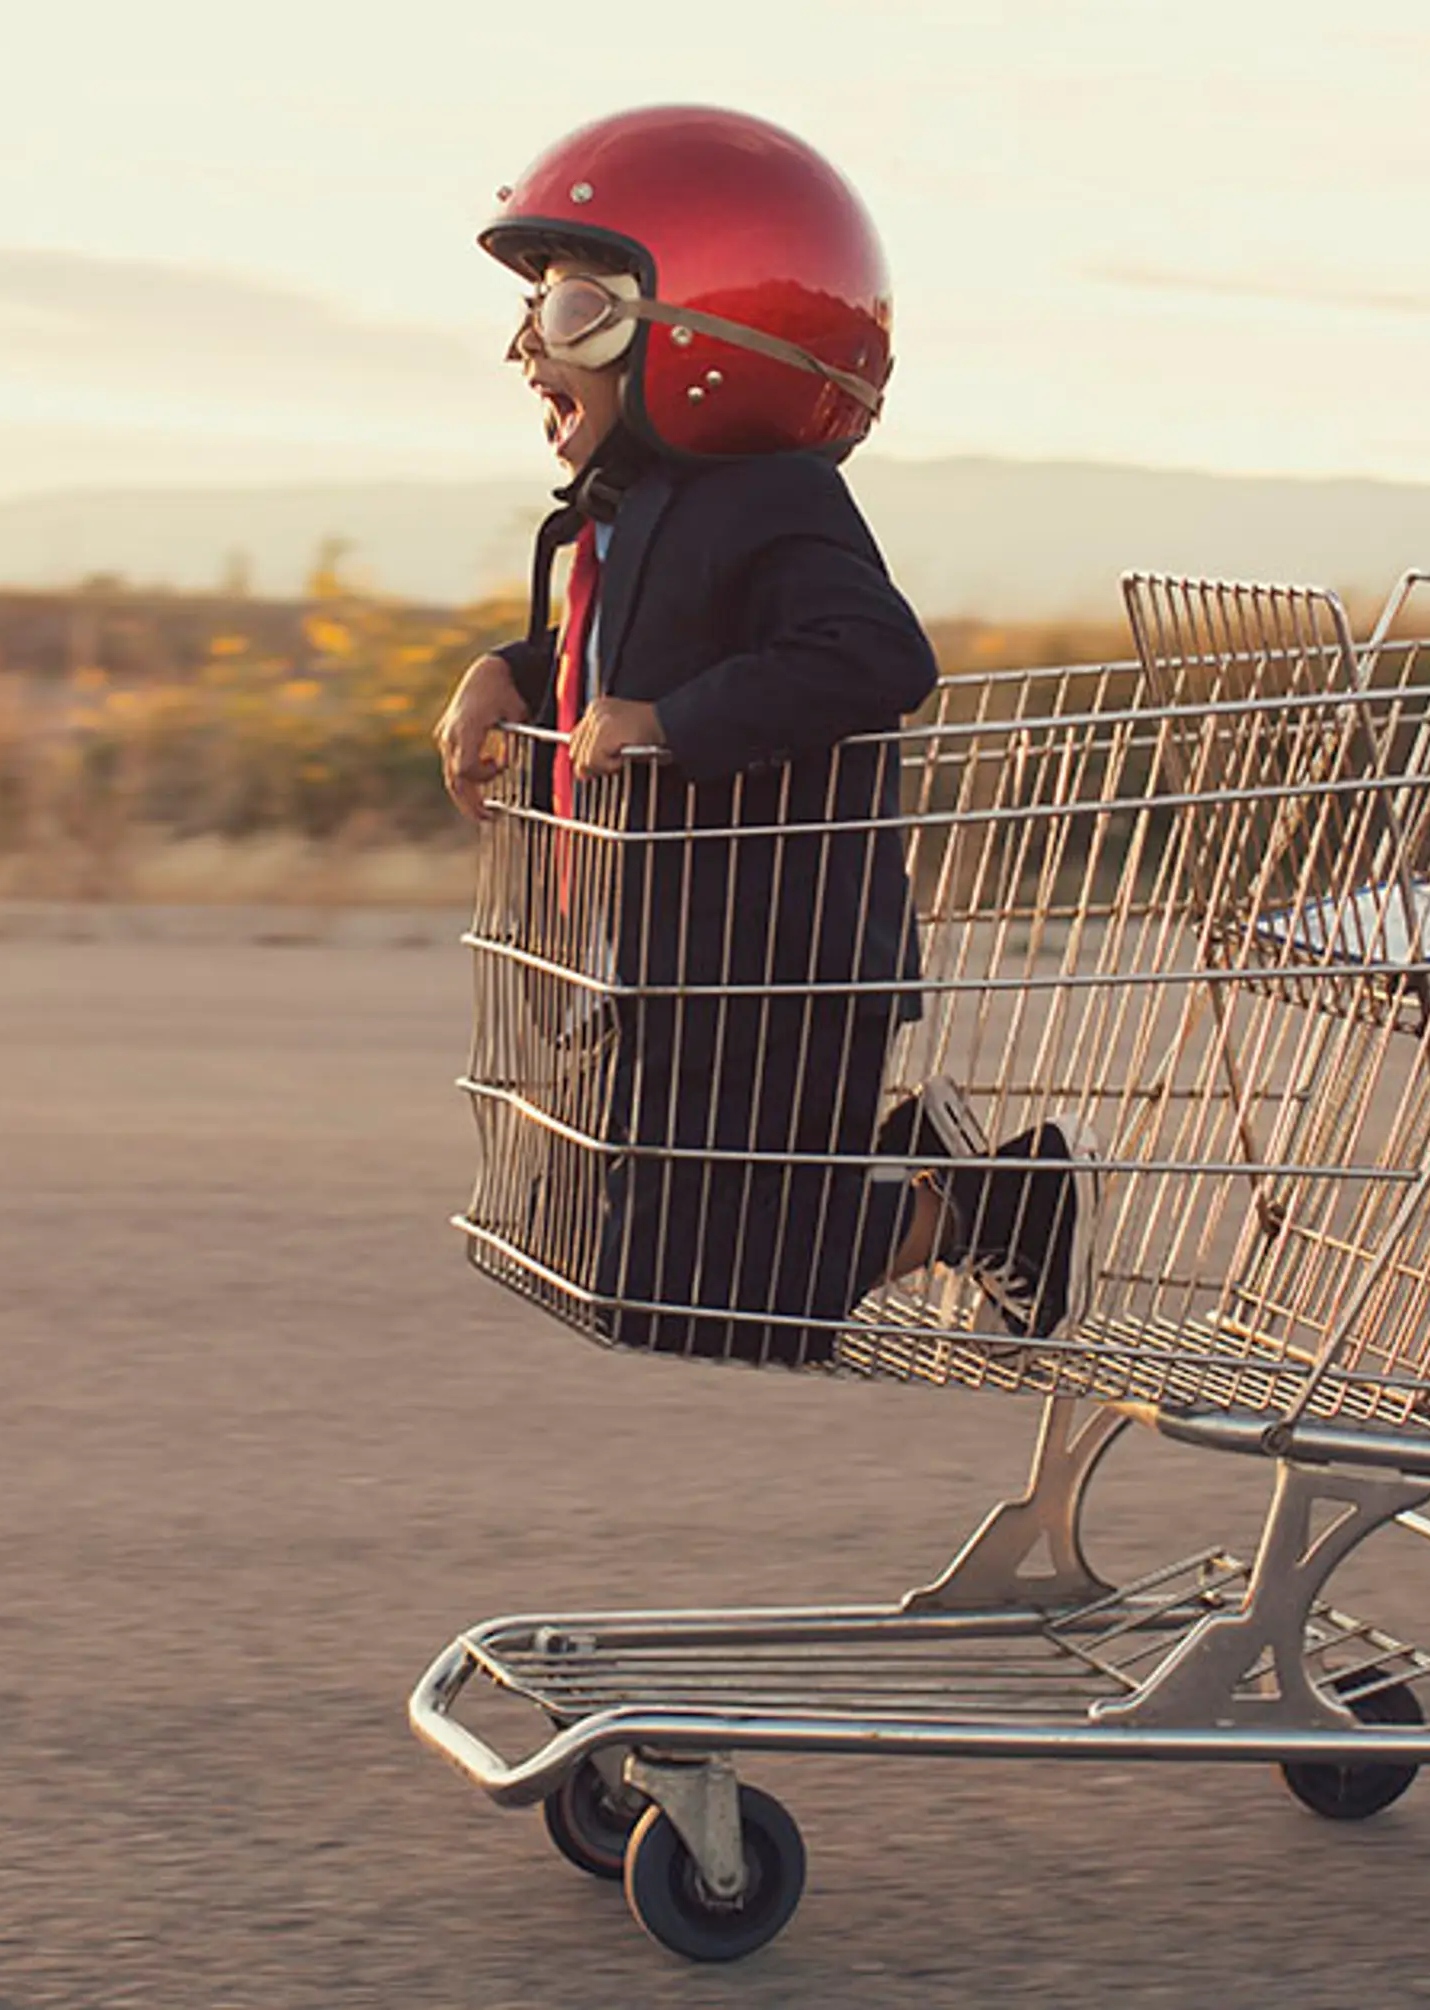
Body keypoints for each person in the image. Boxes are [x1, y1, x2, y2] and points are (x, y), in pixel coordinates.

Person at [429, 104, 1087, 1366]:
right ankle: (910, 1173)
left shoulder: (780, 500)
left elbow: (876, 656)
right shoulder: (640, 508)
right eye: (531, 315)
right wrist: (507, 679)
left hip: (781, 957)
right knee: (580, 1230)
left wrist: (675, 724)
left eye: (570, 310)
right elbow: (627, 658)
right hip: (675, 954)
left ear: (702, 332)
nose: (528, 347)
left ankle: (985, 1204)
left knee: (703, 1293)